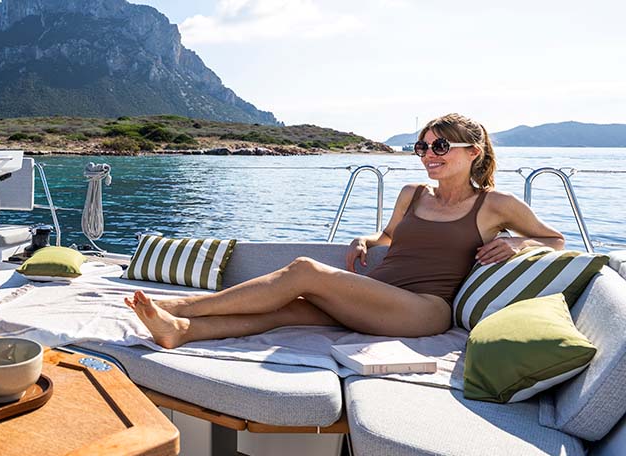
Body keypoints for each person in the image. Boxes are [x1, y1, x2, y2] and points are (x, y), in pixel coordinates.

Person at [125, 113, 565, 349]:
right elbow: (388, 237)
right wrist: (366, 240)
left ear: (473, 151)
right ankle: (179, 331)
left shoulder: (496, 204)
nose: (428, 154)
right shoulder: (413, 193)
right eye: (423, 146)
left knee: (304, 270)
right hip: (376, 291)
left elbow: (555, 240)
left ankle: (183, 304)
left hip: (425, 311)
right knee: (287, 311)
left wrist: (517, 241)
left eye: (440, 146)